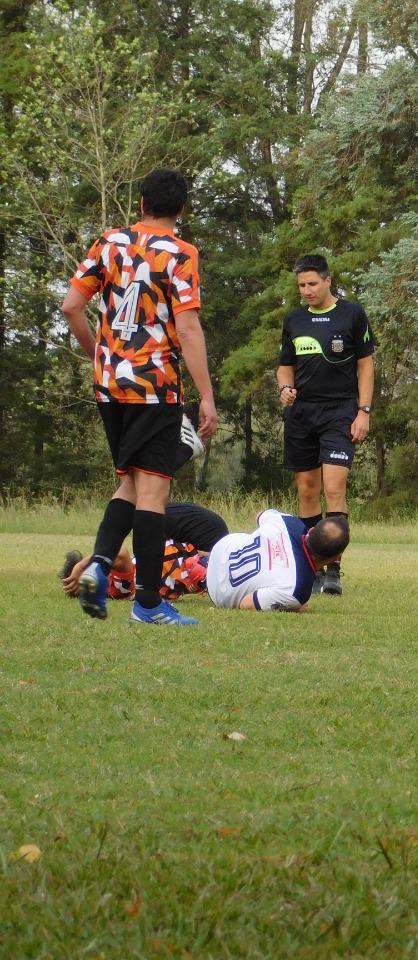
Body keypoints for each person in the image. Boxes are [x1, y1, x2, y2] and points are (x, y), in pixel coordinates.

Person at [60, 168, 218, 627]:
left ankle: (102, 565)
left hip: (109, 385)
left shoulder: (108, 242)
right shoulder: (181, 253)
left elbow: (71, 305)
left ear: (141, 202)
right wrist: (206, 396)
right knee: (153, 489)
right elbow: (187, 327)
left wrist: (99, 354)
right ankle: (148, 603)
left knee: (129, 482)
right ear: (181, 209)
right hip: (154, 386)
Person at [276, 254, 375, 597]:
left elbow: (365, 366)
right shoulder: (293, 320)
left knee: (334, 487)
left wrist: (363, 411)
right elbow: (284, 366)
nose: (307, 290)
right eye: (302, 285)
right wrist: (284, 388)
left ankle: (333, 569)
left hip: (340, 412)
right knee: (306, 490)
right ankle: (310, 566)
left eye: (312, 284)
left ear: (328, 280)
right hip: (302, 414)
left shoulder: (352, 314)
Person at [60, 501, 229, 602]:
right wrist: (82, 565)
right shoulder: (116, 587)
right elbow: (120, 552)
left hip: (187, 558)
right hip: (190, 564)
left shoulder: (115, 587)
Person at [206, 511, 349, 612]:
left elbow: (260, 515)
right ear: (336, 558)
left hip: (220, 549)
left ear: (311, 530)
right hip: (218, 592)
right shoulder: (297, 589)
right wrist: (294, 606)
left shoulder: (289, 522)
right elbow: (247, 605)